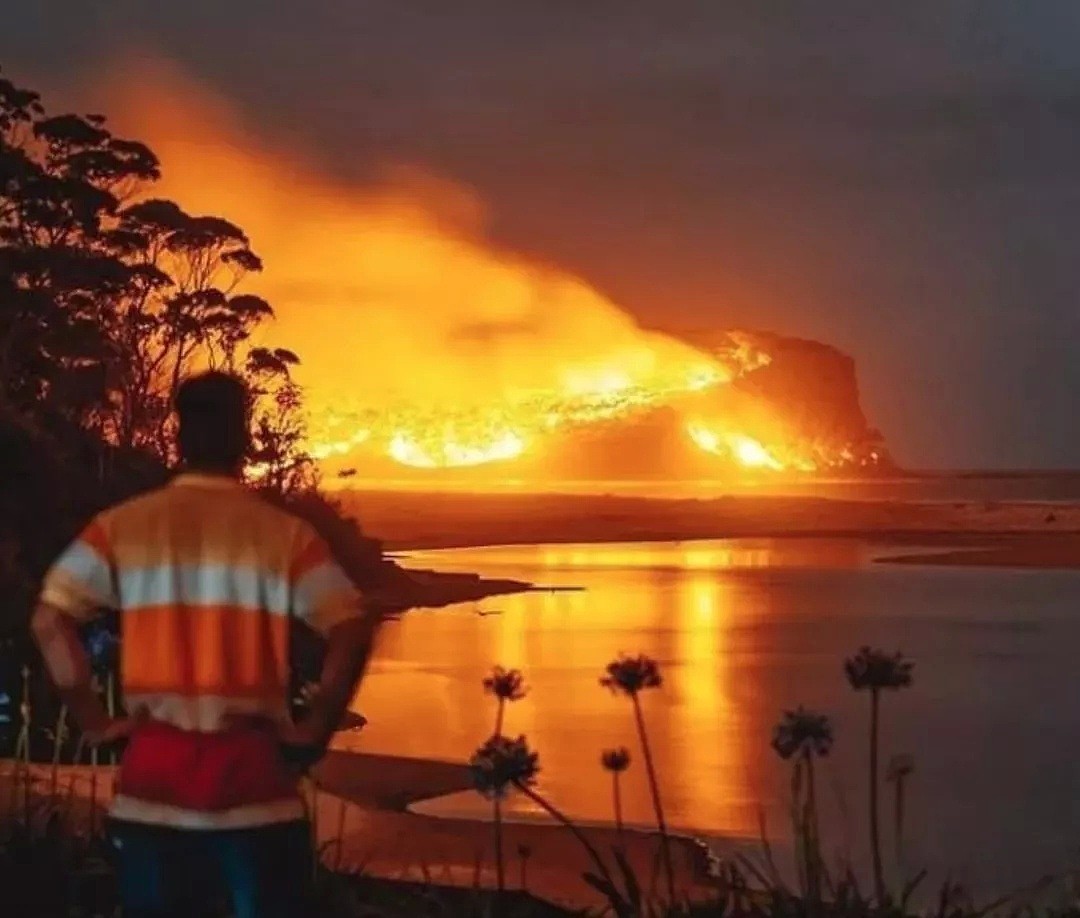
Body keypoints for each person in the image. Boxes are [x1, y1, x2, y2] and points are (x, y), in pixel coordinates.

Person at [31, 371, 378, 918]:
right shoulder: (284, 535)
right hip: (256, 791)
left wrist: (94, 722)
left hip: (153, 793)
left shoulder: (122, 527)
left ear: (179, 436)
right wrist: (315, 727)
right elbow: (351, 628)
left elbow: (50, 623)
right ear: (244, 437)